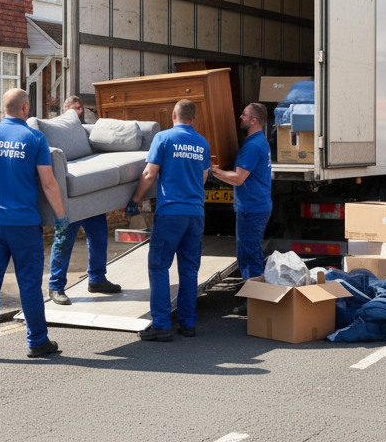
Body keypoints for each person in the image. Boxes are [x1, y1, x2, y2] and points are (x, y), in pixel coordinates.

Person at [0, 89, 69, 362]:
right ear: (25, 109)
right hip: (24, 224)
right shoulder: (35, 138)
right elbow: (48, 182)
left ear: (3, 109)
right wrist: (61, 217)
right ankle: (37, 342)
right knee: (29, 285)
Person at [126, 99, 210, 341]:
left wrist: (135, 199)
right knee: (189, 269)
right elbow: (203, 178)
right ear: (193, 119)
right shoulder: (202, 143)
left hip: (171, 213)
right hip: (195, 214)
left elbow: (149, 173)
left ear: (174, 115)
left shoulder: (163, 138)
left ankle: (162, 324)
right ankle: (187, 323)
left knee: (159, 266)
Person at [47, 96, 121, 305]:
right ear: (65, 111)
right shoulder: (57, 130)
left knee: (99, 238)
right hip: (70, 200)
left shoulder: (86, 131)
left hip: (90, 195)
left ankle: (97, 279)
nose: (79, 112)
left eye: (81, 108)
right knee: (64, 241)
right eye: (75, 108)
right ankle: (56, 286)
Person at [209, 103, 271, 317]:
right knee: (247, 254)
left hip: (252, 209)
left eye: (244, 114)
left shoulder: (253, 146)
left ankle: (256, 302)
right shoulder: (257, 142)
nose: (240, 116)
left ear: (254, 120)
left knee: (250, 255)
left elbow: (238, 178)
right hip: (254, 206)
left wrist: (213, 172)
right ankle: (254, 298)